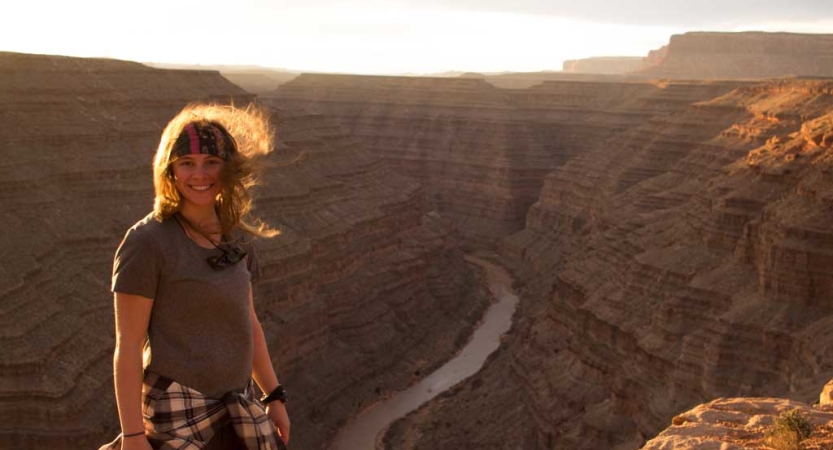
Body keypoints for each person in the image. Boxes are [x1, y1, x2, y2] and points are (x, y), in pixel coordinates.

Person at [98, 103, 290, 450]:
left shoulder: (238, 237)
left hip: (237, 410)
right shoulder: (148, 242)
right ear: (170, 170)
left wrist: (273, 396)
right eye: (187, 163)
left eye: (211, 163)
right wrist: (133, 436)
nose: (199, 175)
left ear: (228, 169)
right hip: (177, 420)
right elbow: (127, 346)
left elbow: (248, 322)